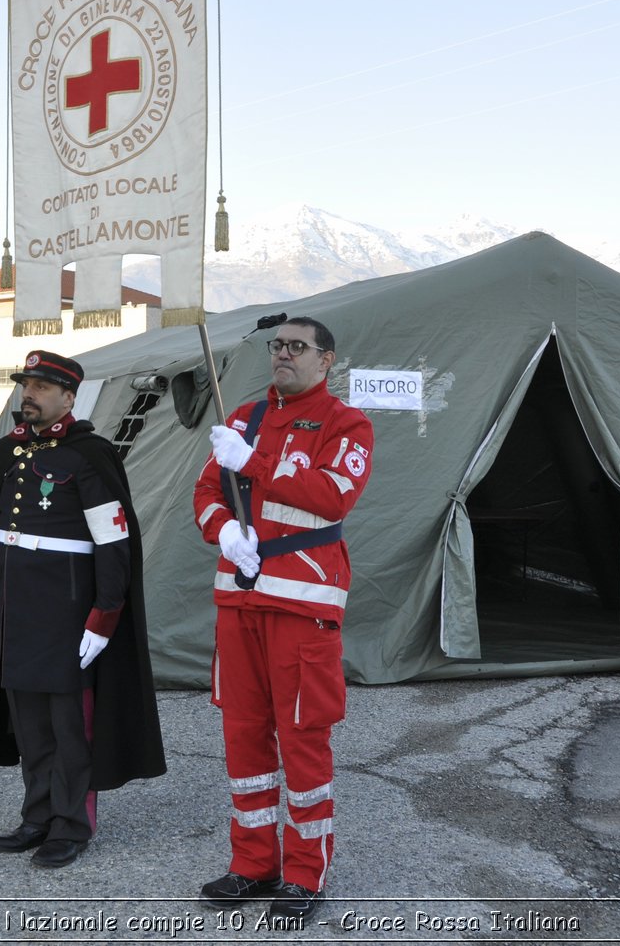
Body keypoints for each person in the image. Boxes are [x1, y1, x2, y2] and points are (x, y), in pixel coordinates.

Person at [191, 317, 374, 922]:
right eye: (278, 346)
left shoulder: (348, 424)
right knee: (243, 735)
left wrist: (258, 459)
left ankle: (304, 873)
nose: (284, 356)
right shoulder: (240, 417)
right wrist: (224, 531)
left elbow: (331, 495)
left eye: (299, 347)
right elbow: (206, 493)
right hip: (238, 600)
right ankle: (252, 864)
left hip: (302, 605)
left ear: (327, 361)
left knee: (302, 742)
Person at [0, 350, 165, 869]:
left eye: (42, 387)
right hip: (15, 607)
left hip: (68, 609)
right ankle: (37, 815)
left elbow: (114, 542)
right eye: (26, 384)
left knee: (70, 725)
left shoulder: (88, 454)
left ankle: (72, 823)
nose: (29, 394)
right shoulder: (9, 452)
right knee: (28, 722)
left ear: (68, 397)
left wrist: (104, 616)